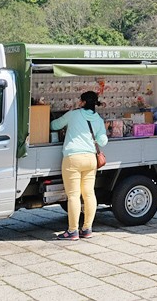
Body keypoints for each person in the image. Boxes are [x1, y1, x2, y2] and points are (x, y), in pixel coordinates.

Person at [50, 90, 108, 240]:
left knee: (74, 195)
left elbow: (55, 125)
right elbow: (103, 142)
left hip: (73, 158)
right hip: (90, 159)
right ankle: (87, 229)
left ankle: (72, 231)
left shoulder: (73, 114)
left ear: (82, 102)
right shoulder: (99, 120)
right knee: (89, 194)